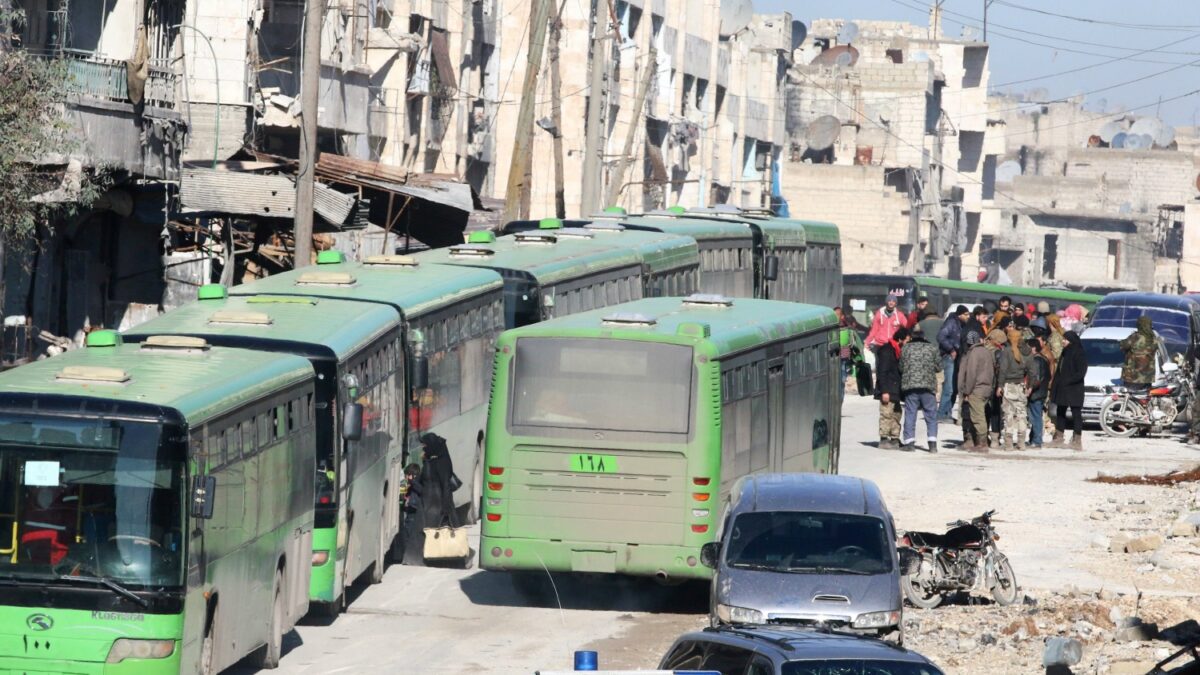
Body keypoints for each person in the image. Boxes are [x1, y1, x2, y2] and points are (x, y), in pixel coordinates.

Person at [407, 432, 458, 565]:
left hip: (439, 503)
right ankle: (416, 558)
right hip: (426, 503)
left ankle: (441, 559)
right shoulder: (429, 460)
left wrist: (446, 508)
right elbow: (424, 480)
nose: (424, 448)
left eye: (425, 446)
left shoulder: (443, 462)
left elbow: (446, 486)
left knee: (441, 532)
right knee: (421, 531)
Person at [899, 325, 941, 452]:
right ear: (924, 337)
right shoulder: (932, 348)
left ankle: (909, 443)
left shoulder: (906, 348)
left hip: (911, 386)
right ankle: (932, 444)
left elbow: (901, 367)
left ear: (911, 337)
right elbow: (939, 367)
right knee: (931, 415)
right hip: (928, 387)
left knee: (910, 414)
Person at [996, 328, 1036, 450]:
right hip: (1021, 386)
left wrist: (1000, 385)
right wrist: (1030, 386)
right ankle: (1021, 443)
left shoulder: (1007, 351)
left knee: (1008, 414)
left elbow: (1002, 370)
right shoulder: (1028, 352)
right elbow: (1032, 372)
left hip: (1009, 386)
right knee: (1022, 415)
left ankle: (1008, 444)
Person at [1049, 331, 1088, 450]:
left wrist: (1068, 381)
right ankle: (1059, 437)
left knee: (1076, 413)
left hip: (1074, 388)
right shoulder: (1065, 352)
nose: (1063, 341)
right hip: (1063, 388)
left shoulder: (1079, 353)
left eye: (1065, 340)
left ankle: (1077, 440)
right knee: (1061, 411)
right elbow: (1060, 370)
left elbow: (1081, 372)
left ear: (1071, 340)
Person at [957, 329, 994, 452]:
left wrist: (967, 390)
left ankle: (982, 444)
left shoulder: (973, 353)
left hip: (976, 389)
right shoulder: (987, 351)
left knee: (977, 417)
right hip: (987, 387)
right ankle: (979, 441)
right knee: (981, 415)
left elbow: (971, 373)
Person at [874, 327, 907, 449]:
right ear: (900, 339)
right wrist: (884, 391)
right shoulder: (887, 351)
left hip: (896, 388)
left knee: (896, 414)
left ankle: (895, 438)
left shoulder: (897, 350)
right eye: (907, 340)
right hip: (888, 388)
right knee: (886, 414)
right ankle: (883, 439)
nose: (908, 343)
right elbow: (882, 372)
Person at [937, 305, 970, 421]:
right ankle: (941, 413)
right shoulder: (951, 323)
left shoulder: (962, 324)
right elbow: (941, 337)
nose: (968, 317)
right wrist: (951, 349)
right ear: (960, 314)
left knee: (955, 387)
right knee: (949, 387)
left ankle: (947, 413)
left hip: (957, 357)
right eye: (966, 314)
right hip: (949, 357)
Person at [1119, 315, 1158, 391]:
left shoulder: (1135, 337)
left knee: (1131, 399)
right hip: (1147, 378)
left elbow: (1122, 346)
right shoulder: (1153, 339)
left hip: (1133, 377)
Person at [1027, 336, 1051, 449]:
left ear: (1033, 348)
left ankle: (1037, 441)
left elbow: (1036, 379)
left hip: (1036, 394)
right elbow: (1049, 376)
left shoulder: (1036, 360)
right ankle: (1033, 438)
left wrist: (1029, 389)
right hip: (1042, 392)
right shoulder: (1044, 359)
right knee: (1037, 416)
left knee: (1035, 417)